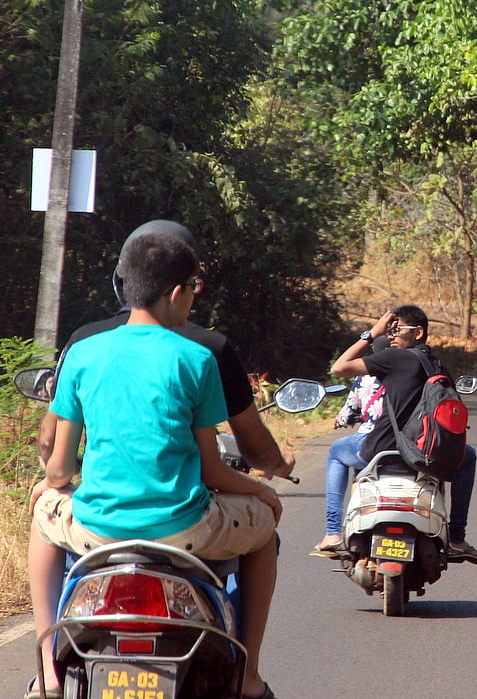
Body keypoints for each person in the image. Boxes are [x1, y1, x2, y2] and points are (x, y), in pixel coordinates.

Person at [27, 232, 281, 699]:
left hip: (96, 531)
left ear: (123, 283)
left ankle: (46, 669)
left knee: (43, 520)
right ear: (179, 291)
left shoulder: (82, 352)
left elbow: (60, 468)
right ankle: (247, 674)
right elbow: (212, 472)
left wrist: (48, 486)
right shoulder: (197, 358)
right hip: (185, 532)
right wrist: (259, 490)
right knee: (264, 534)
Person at [36, 219, 295, 481]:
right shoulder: (206, 351)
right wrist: (278, 464)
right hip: (184, 508)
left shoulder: (82, 345)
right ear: (179, 291)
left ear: (122, 280)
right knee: (264, 507)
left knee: (48, 502)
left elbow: (49, 443)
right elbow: (244, 455)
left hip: (98, 509)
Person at [330, 304, 477, 565]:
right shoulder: (437, 365)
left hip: (381, 451)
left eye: (395, 329)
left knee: (337, 452)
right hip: (428, 454)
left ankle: (333, 533)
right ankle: (458, 539)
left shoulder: (394, 358)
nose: (389, 336)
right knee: (468, 457)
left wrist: (371, 333)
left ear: (418, 332)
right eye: (387, 330)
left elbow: (339, 368)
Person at [311, 338, 391, 555]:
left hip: (371, 442)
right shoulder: (413, 369)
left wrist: (341, 420)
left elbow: (347, 413)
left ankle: (333, 531)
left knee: (337, 452)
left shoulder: (364, 377)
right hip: (409, 444)